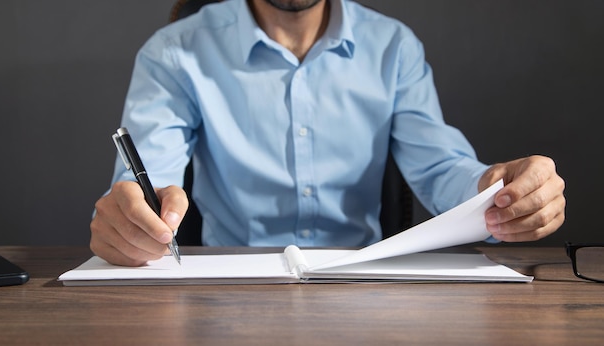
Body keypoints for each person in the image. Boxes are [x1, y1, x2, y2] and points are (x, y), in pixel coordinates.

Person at [90, 0, 566, 266]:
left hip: (367, 286)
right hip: (230, 286)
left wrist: (498, 191)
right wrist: (132, 216)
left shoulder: (392, 46)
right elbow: (145, 181)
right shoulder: (175, 52)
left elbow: (440, 166)